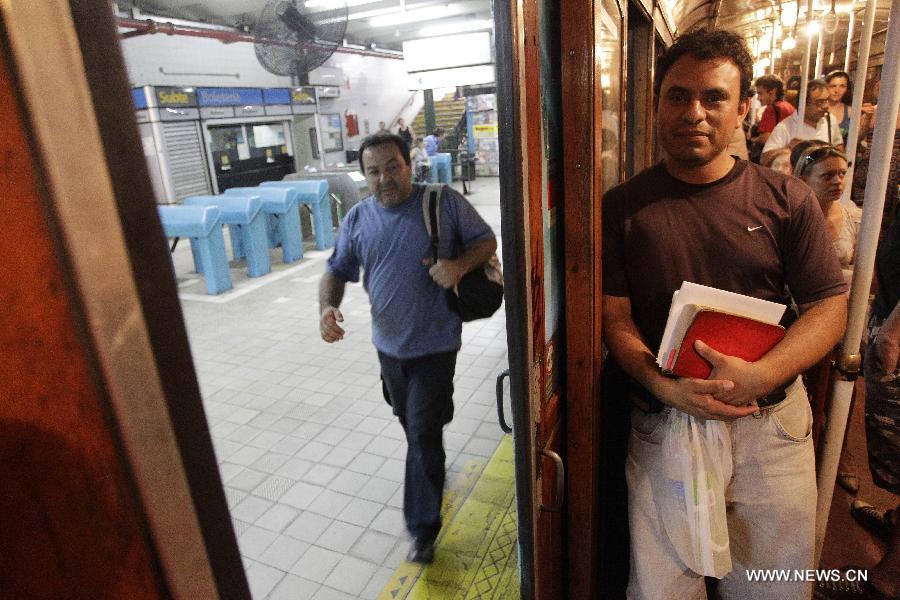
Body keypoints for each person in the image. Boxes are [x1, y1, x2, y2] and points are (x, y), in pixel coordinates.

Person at [601, 28, 848, 599]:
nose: (695, 113)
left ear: (742, 110)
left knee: (773, 586)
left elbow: (827, 308)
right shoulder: (622, 208)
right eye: (678, 96)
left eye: (713, 98)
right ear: (656, 104)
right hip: (665, 421)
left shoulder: (787, 199)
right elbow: (615, 317)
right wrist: (664, 388)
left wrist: (765, 374)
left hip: (769, 426)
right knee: (663, 590)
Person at [318, 133, 497, 564]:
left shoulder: (443, 202)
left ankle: (422, 530)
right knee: (410, 419)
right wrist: (327, 308)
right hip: (389, 348)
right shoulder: (358, 219)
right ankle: (432, 433)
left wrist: (457, 266)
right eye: (373, 171)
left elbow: (486, 241)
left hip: (436, 344)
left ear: (408, 163)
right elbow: (336, 269)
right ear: (364, 175)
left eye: (392, 166)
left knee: (420, 430)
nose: (384, 178)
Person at [794, 145, 860, 281]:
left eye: (842, 174)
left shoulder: (854, 217)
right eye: (828, 176)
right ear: (803, 180)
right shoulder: (791, 217)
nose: (838, 181)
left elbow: (865, 274)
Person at [761, 78, 844, 163]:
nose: (826, 106)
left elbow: (839, 146)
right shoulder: (786, 127)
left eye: (827, 100)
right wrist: (788, 149)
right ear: (803, 104)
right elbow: (764, 159)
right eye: (820, 102)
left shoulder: (830, 120)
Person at [749, 74, 795, 161]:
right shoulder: (788, 106)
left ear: (772, 92)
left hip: (774, 157)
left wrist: (752, 139)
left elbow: (766, 138)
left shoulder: (771, 109)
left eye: (760, 93)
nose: (758, 98)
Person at [825, 70, 853, 144]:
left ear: (847, 89)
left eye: (842, 86)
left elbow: (856, 138)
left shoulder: (851, 112)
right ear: (826, 87)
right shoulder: (818, 109)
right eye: (833, 86)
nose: (837, 90)